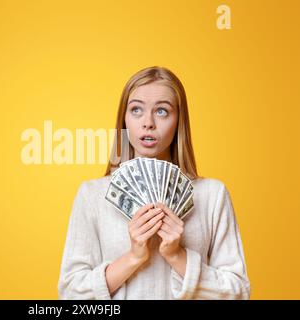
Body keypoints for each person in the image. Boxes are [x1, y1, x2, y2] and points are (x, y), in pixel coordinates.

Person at [57, 66, 251, 299]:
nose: (148, 122)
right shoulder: (92, 195)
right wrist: (134, 257)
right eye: (136, 109)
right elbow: (70, 293)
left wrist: (177, 255)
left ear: (179, 121)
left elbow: (238, 291)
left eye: (161, 111)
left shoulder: (212, 194)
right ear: (125, 119)